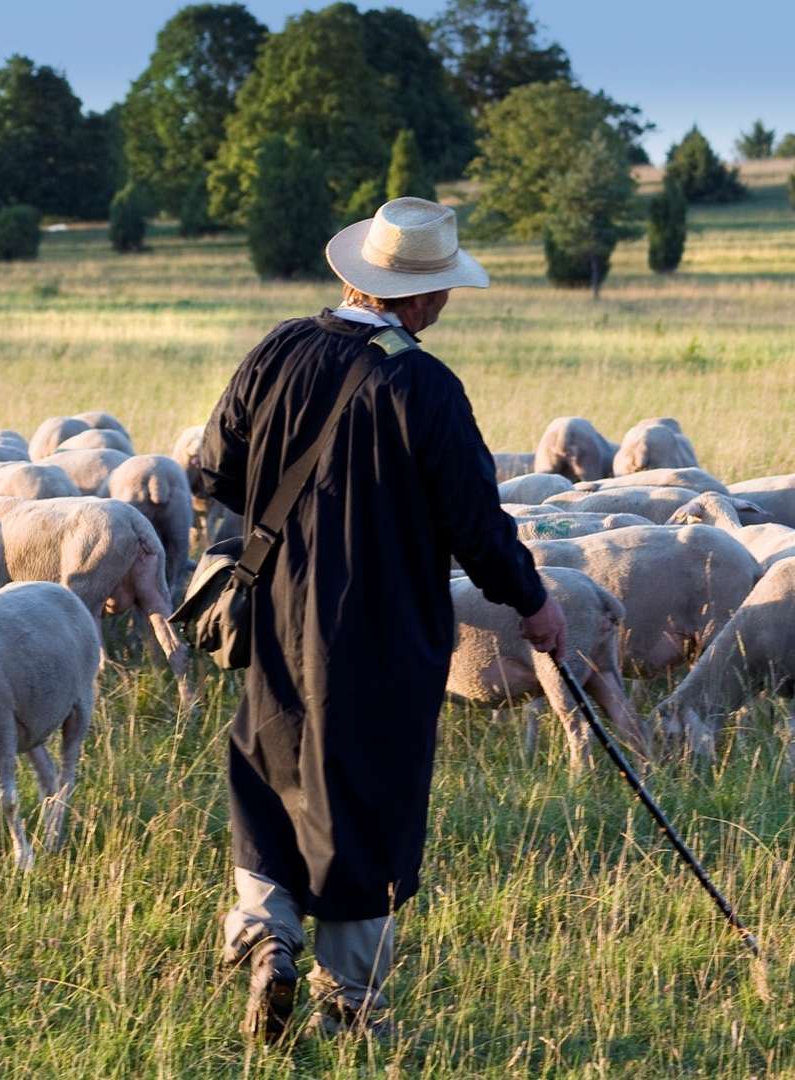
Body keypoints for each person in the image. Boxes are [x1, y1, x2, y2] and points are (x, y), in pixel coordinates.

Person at [199, 196, 567, 1042]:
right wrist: (535, 604)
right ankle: (350, 1000)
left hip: (276, 612)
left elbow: (214, 466)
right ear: (426, 297)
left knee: (270, 765)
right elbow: (476, 522)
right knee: (369, 798)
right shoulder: (426, 388)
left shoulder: (280, 347)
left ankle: (266, 932)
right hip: (383, 631)